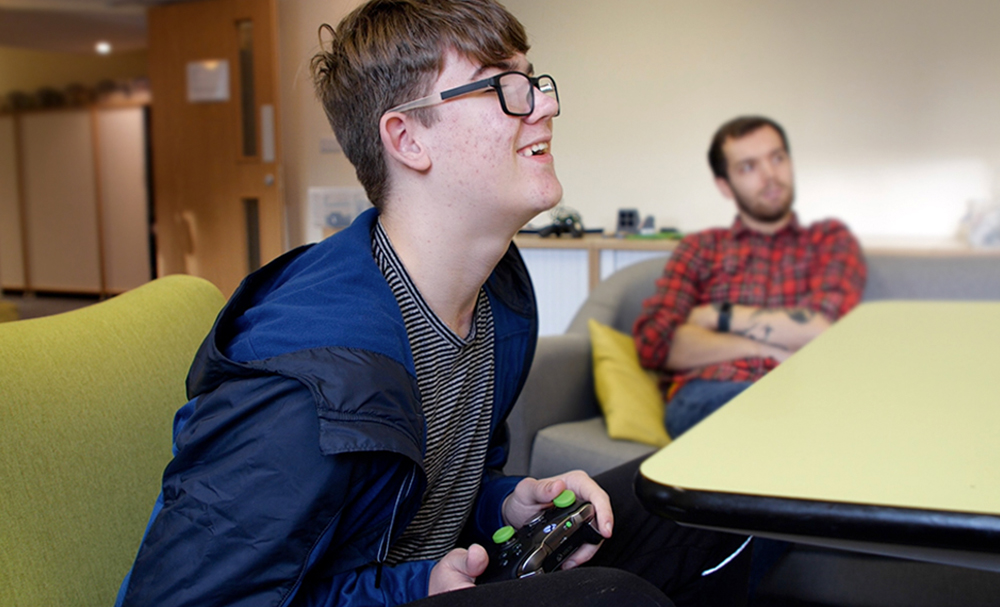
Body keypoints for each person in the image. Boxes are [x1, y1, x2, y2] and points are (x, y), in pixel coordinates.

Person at [114, 2, 751, 606]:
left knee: (712, 490)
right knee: (616, 599)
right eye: (504, 87)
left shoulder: (496, 293)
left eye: (535, 81)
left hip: (441, 578)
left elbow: (419, 501)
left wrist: (505, 504)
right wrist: (412, 588)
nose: (547, 105)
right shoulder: (305, 374)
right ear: (408, 139)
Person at [634, 116, 867, 440]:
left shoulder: (829, 240)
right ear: (725, 186)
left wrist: (715, 317)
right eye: (748, 167)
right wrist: (769, 351)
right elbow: (656, 344)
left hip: (806, 393)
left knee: (817, 420)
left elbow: (821, 332)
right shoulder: (701, 248)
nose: (771, 176)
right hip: (712, 393)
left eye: (777, 158)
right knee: (769, 424)